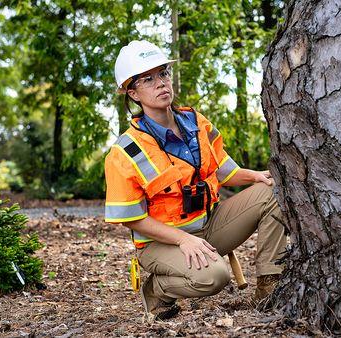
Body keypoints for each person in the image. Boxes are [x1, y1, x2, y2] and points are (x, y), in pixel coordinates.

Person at [104, 40, 287, 320]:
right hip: (159, 244)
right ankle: (157, 290)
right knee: (215, 277)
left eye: (163, 74)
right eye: (148, 79)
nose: (161, 83)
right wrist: (182, 241)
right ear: (132, 92)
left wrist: (255, 176)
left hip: (208, 226)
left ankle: (269, 285)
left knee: (271, 191)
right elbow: (131, 218)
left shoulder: (196, 122)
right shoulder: (125, 151)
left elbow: (223, 170)